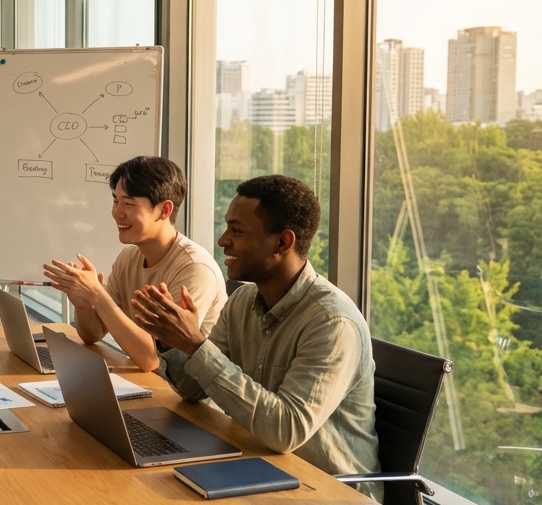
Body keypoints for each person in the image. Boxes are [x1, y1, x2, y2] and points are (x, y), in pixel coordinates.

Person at [132, 174, 379, 484]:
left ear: (282, 242)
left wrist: (197, 345)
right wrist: (171, 341)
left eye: (237, 231)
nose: (223, 240)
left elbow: (285, 431)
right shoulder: (243, 300)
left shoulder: (333, 323)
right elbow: (192, 391)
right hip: (258, 465)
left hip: (329, 494)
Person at [41, 156, 226, 372]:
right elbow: (93, 334)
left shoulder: (195, 269)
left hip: (186, 398)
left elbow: (153, 359)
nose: (117, 212)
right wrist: (84, 304)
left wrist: (97, 295)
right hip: (149, 384)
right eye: (115, 201)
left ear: (164, 210)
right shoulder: (128, 258)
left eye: (128, 203)